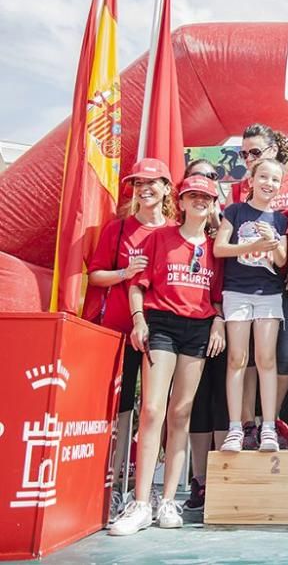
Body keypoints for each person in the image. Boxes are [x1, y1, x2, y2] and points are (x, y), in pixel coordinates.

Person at [109, 175, 226, 535]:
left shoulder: (214, 246)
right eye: (193, 196)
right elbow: (136, 285)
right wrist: (139, 320)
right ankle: (140, 502)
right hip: (161, 324)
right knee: (153, 409)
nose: (199, 202)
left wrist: (218, 324)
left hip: (198, 329)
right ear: (182, 200)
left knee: (181, 412)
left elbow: (217, 296)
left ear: (212, 205)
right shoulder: (159, 236)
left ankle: (168, 500)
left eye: (206, 198)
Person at [85, 158, 176, 519]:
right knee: (122, 409)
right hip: (120, 331)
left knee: (156, 411)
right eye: (139, 184)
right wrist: (125, 272)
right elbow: (94, 276)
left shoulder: (175, 229)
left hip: (164, 334)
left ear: (168, 189)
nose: (146, 189)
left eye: (152, 183)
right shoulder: (119, 229)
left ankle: (148, 486)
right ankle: (116, 481)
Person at [230, 124, 288, 448]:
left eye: (255, 152)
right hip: (244, 284)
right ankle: (247, 423)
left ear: (274, 150)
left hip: (282, 281)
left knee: (284, 356)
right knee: (243, 358)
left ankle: (270, 420)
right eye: (244, 154)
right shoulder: (238, 190)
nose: (249, 159)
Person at [214, 158, 288, 452]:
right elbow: (220, 249)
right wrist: (251, 247)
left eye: (274, 180)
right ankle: (236, 427)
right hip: (237, 292)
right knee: (237, 358)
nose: (268, 184)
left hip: (268, 293)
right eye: (263, 177)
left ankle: (267, 426)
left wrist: (274, 243)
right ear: (252, 180)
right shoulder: (235, 211)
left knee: (266, 359)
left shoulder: (281, 219)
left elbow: (282, 261)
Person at [181, 159, 229, 513]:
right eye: (196, 179)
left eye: (211, 179)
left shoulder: (227, 228)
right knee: (195, 402)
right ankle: (199, 481)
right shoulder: (177, 230)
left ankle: (222, 478)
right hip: (186, 326)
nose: (204, 184)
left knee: (221, 399)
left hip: (223, 323)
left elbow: (233, 283)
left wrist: (220, 319)